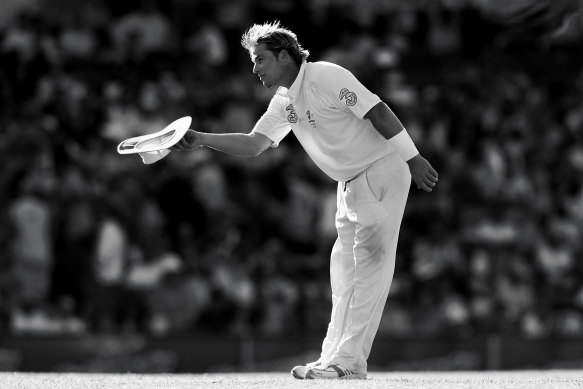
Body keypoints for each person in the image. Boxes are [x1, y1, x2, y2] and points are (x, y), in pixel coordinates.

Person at [173, 21, 438, 380]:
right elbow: (255, 144)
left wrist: (413, 157)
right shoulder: (284, 102)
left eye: (261, 60)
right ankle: (332, 358)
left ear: (284, 56)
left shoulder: (325, 76)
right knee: (344, 275)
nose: (255, 69)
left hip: (382, 169)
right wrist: (201, 138)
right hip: (350, 183)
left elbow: (376, 111)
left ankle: (347, 364)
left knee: (366, 269)